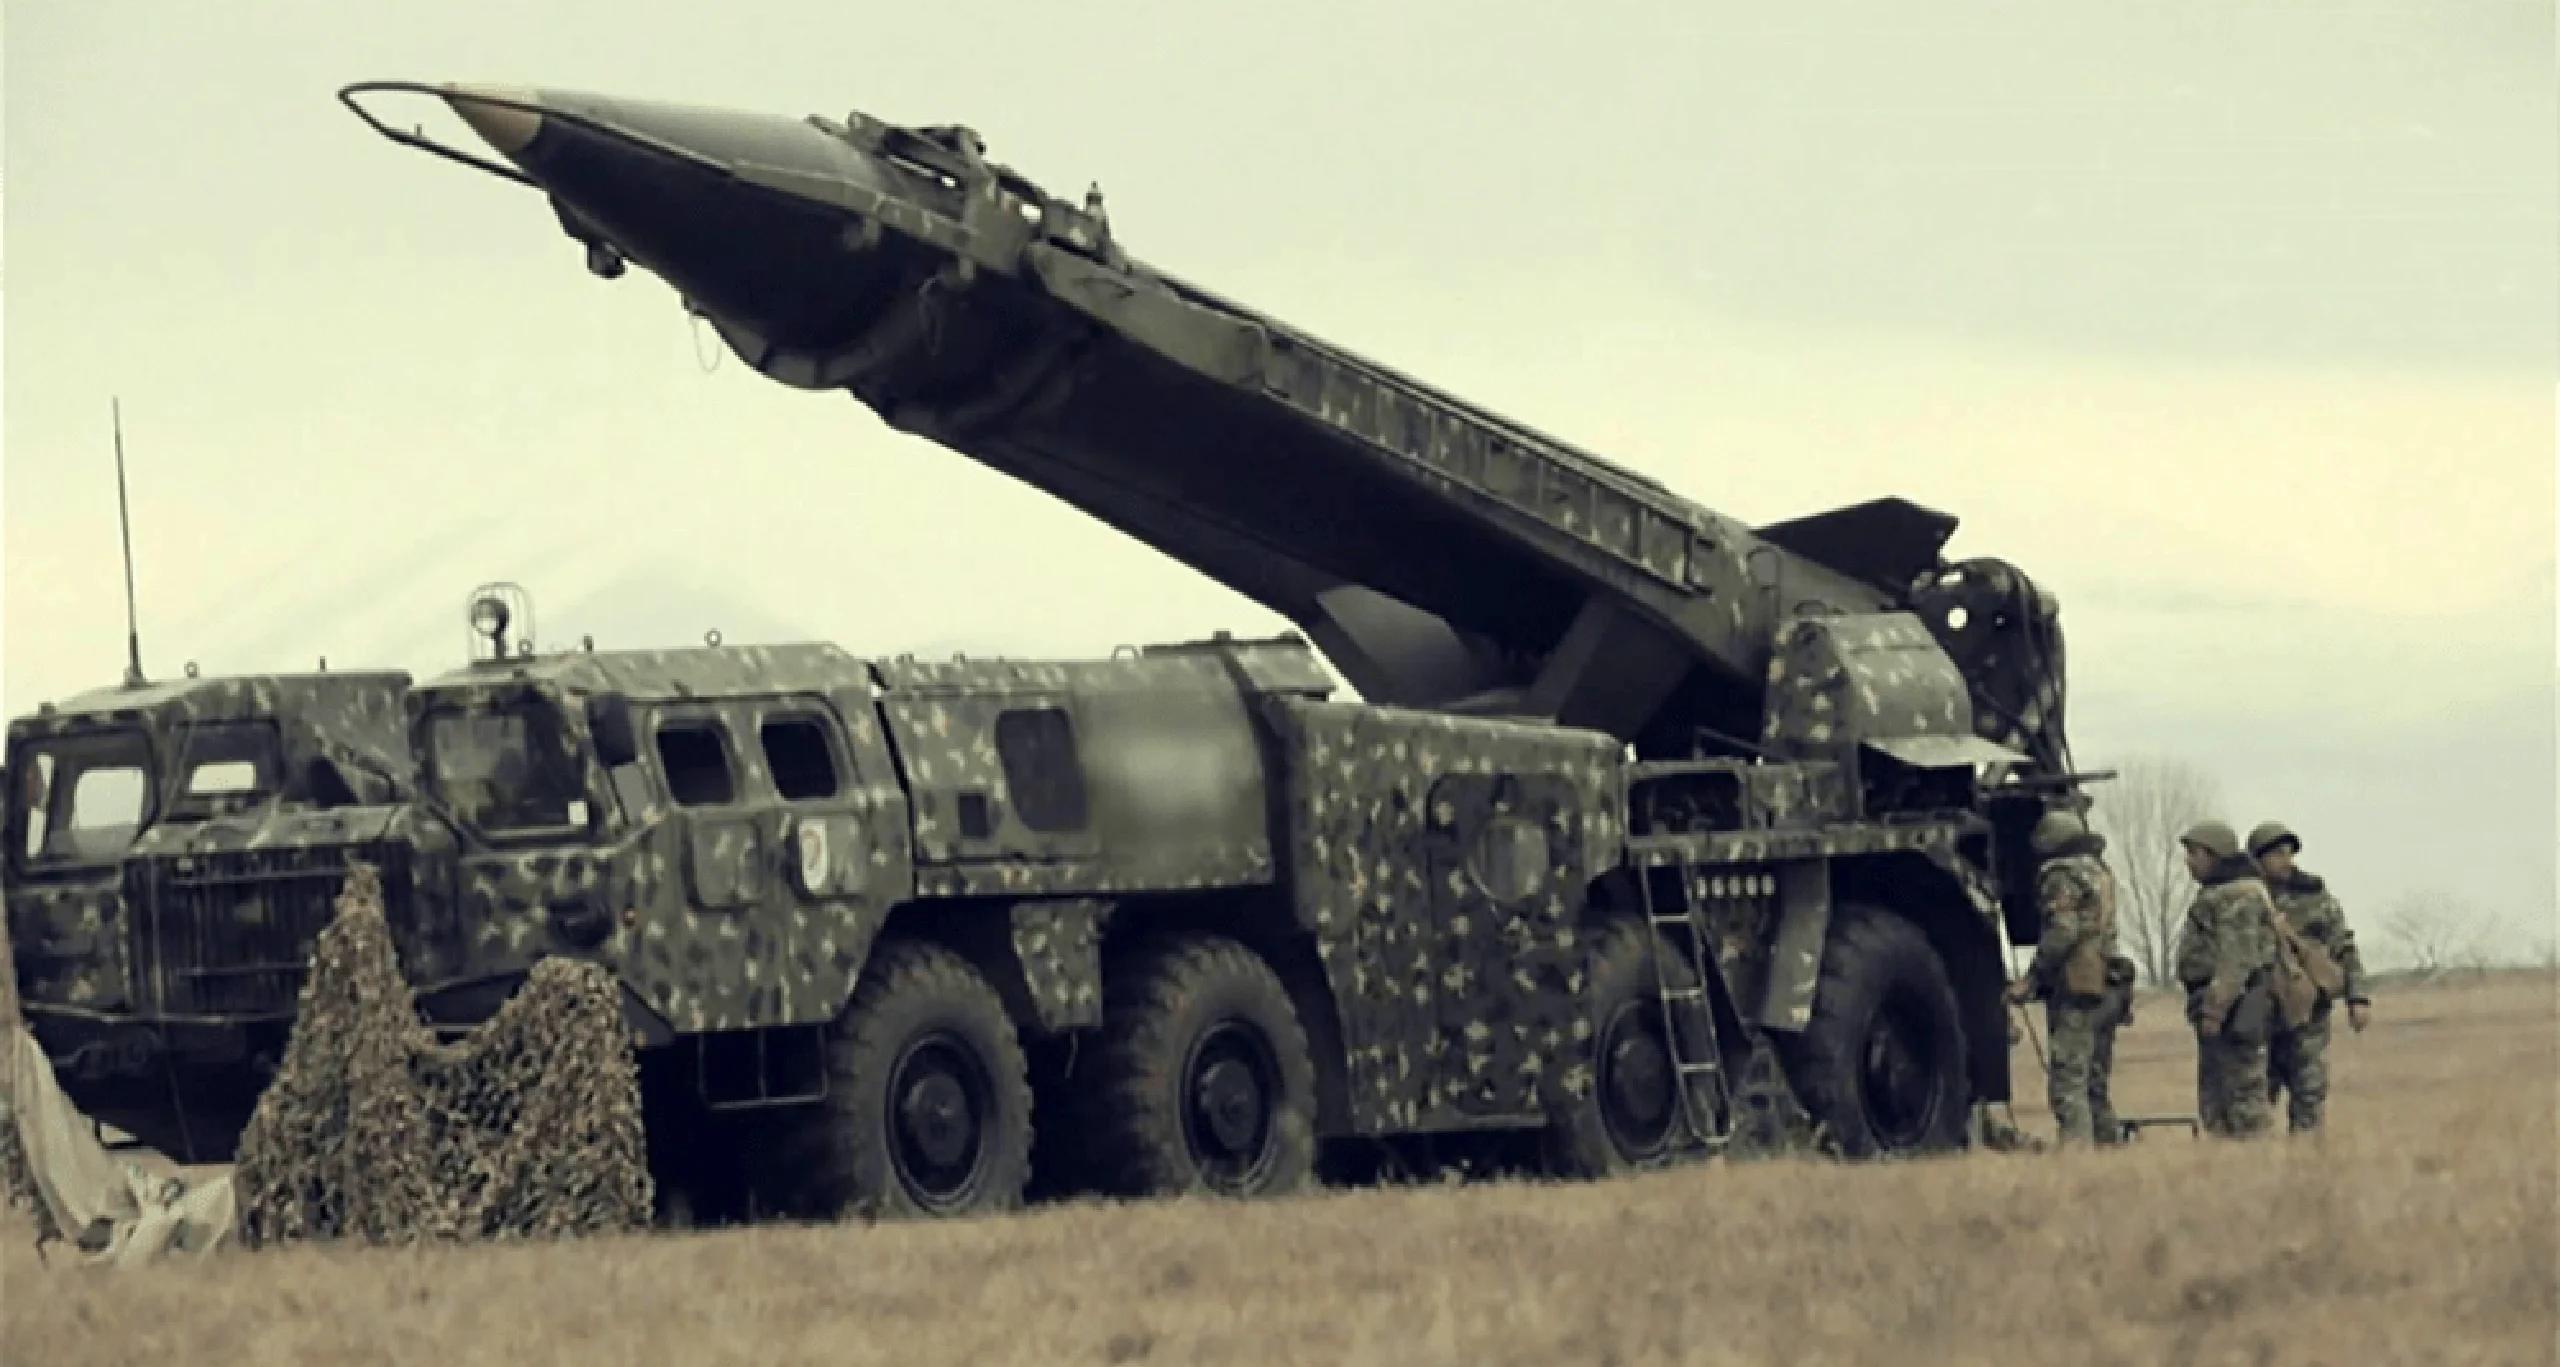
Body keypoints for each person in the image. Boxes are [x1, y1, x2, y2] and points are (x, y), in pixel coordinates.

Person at [2005, 808, 2127, 1146]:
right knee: (2095, 1084)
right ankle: (2112, 1154)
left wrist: (2032, 978)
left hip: (2078, 987)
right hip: (2110, 982)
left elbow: (2063, 931)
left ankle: (2078, 1155)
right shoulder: (2099, 871)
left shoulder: (2059, 874)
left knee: (2068, 1083)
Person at [2247, 820, 2371, 1133]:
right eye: (2276, 854)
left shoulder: (2315, 897)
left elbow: (2343, 946)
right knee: (2255, 1100)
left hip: (2309, 1014)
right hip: (2258, 1014)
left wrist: (2357, 997)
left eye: (2288, 853)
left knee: (2310, 1094)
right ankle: (2255, 1159)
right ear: (2257, 859)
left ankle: (2307, 1157)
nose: (2285, 860)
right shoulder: (2244, 898)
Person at [2172, 820, 2277, 1138]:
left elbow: (2237, 960)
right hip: (2225, 1004)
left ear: (2213, 854)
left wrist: (2215, 1010)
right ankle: (2226, 1157)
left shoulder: (2238, 894)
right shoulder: (2223, 892)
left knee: (2242, 1094)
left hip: (2235, 1006)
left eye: (2194, 853)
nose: (2188, 861)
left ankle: (2254, 1156)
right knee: (2218, 1094)